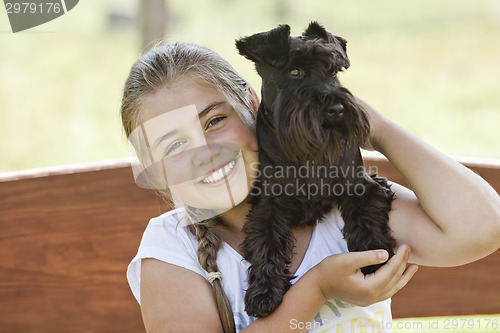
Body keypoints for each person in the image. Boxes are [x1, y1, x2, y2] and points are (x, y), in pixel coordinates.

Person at [122, 42, 500, 333]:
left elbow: (481, 228)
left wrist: (377, 128)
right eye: (174, 145)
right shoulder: (172, 248)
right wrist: (316, 289)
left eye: (215, 121)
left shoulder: (341, 201)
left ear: (253, 103)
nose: (205, 152)